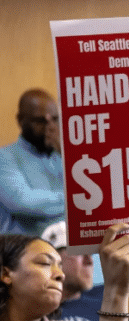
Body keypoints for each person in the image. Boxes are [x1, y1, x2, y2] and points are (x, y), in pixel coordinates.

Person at [0, 89, 64, 234]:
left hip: (70, 253)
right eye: (41, 121)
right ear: (20, 120)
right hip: (26, 252)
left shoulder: (61, 157)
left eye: (55, 119)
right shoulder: (4, 157)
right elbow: (22, 201)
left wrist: (65, 152)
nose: (51, 127)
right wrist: (74, 200)